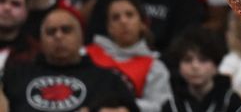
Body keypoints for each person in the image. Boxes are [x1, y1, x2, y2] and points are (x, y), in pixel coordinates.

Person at [3, 7, 139, 112]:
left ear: (81, 38)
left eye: (66, 30)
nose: (58, 36)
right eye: (51, 32)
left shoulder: (107, 80)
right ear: (41, 41)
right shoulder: (16, 75)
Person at [86, 0, 172, 112]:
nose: (123, 21)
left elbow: (161, 106)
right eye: (115, 18)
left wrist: (127, 107)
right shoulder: (86, 55)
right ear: (109, 28)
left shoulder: (154, 66)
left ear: (143, 24)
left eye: (129, 15)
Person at [162, 26, 241, 112]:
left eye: (203, 60)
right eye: (187, 60)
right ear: (179, 66)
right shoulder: (171, 105)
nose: (195, 66)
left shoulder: (231, 101)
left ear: (216, 66)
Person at [0, 0, 38, 74]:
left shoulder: (35, 53)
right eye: (1, 1)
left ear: (26, 11)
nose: (7, 8)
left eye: (15, 4)